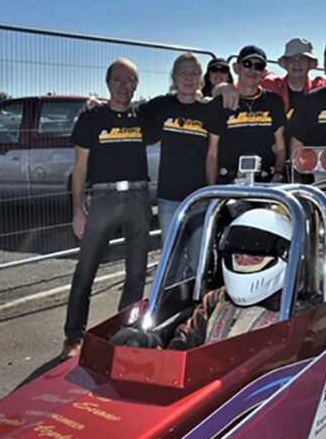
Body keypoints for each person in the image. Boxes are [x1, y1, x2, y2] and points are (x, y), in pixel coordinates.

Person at [61, 58, 153, 359]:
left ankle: (123, 332)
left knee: (137, 273)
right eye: (118, 79)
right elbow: (80, 168)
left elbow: (180, 107)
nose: (123, 85)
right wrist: (78, 210)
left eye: (130, 80)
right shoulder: (91, 118)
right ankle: (74, 336)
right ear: (107, 83)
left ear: (137, 86)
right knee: (85, 270)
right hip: (103, 200)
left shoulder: (144, 117)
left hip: (139, 198)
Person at [110, 208, 291, 350]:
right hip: (205, 383)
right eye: (238, 257)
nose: (244, 262)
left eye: (255, 258)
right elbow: (186, 339)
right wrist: (154, 348)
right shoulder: (215, 300)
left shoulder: (294, 310)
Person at [139, 53, 217, 279]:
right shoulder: (161, 105)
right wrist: (96, 103)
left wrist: (225, 89)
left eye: (194, 73)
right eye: (183, 73)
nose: (189, 78)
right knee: (172, 263)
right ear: (174, 77)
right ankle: (171, 310)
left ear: (202, 79)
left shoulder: (208, 110)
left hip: (201, 198)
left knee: (197, 261)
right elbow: (131, 111)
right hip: (169, 200)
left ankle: (194, 310)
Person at [206, 46, 286, 184]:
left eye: (258, 66)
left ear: (264, 73)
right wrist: (212, 191)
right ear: (236, 68)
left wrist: (278, 174)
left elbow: (280, 147)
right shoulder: (220, 103)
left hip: (267, 183)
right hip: (229, 184)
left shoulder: (274, 101)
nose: (252, 71)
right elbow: (212, 153)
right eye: (247, 64)